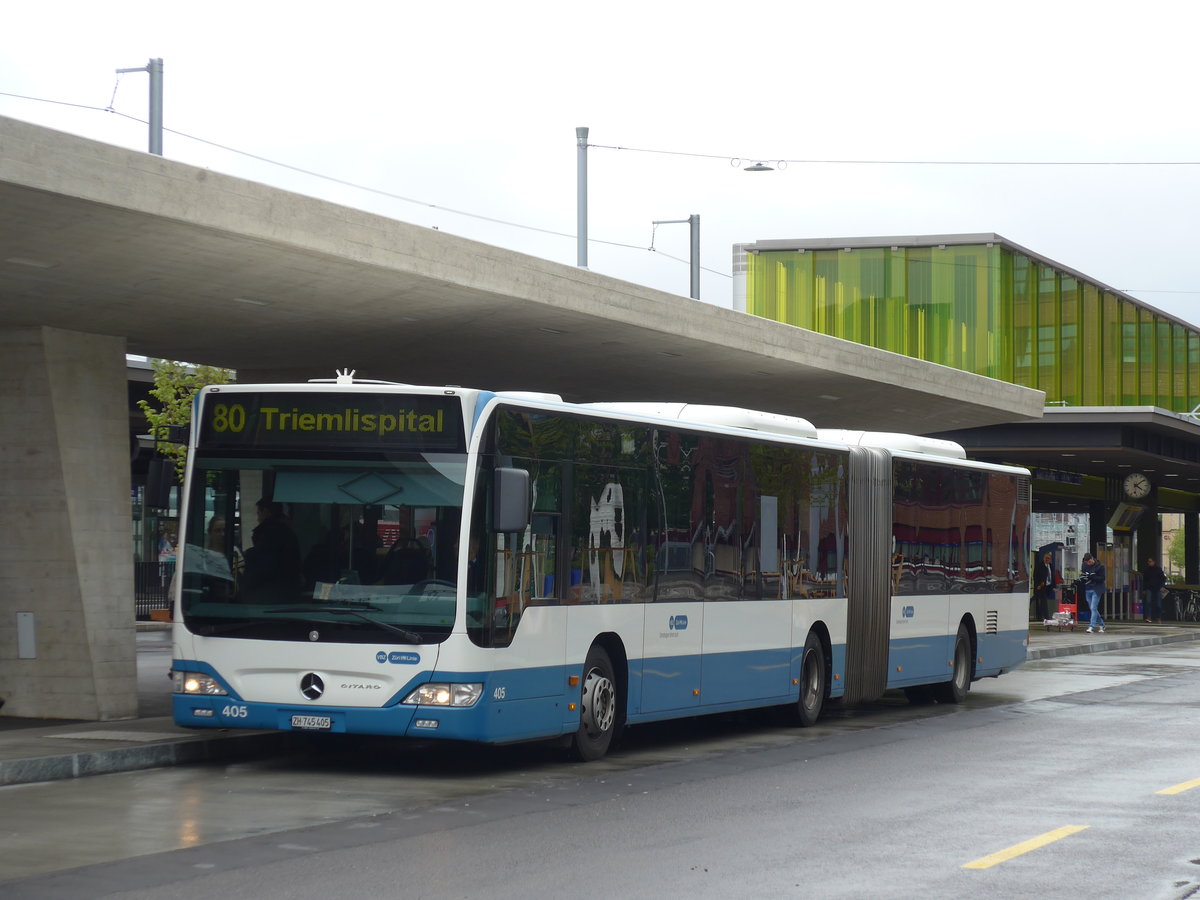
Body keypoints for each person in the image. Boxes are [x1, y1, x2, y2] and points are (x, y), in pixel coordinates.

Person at [241, 498, 302, 603]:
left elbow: (263, 565)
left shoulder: (269, 534)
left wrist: (250, 554)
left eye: (258, 513)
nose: (258, 519)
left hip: (269, 595)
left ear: (265, 511)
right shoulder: (288, 533)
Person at [1080, 552, 1106, 634]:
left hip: (1097, 588)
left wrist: (1092, 576)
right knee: (1092, 608)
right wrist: (1084, 577)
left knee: (1093, 607)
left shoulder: (1100, 566)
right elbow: (1083, 574)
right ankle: (1101, 624)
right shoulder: (1085, 565)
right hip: (1088, 588)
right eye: (1087, 562)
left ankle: (1091, 626)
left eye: (1089, 561)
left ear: (1092, 558)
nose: (1088, 563)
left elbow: (1102, 578)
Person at [1142, 556, 1167, 623]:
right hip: (1149, 588)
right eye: (1148, 562)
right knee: (1148, 602)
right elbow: (1144, 580)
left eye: (1150, 561)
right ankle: (1149, 617)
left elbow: (1163, 578)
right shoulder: (1147, 570)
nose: (1149, 563)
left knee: (1158, 604)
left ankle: (1158, 617)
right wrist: (1144, 589)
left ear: (1154, 562)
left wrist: (1160, 585)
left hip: (1157, 588)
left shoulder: (1158, 569)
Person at [1033, 552, 1054, 621]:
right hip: (1041, 586)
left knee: (1041, 601)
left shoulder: (1050, 566)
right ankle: (1046, 617)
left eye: (1049, 558)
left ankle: (1041, 616)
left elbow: (1052, 576)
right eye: (1046, 558)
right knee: (1043, 601)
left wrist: (1054, 585)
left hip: (1048, 586)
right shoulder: (1039, 566)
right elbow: (1035, 576)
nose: (1047, 560)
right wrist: (1038, 585)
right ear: (1044, 558)